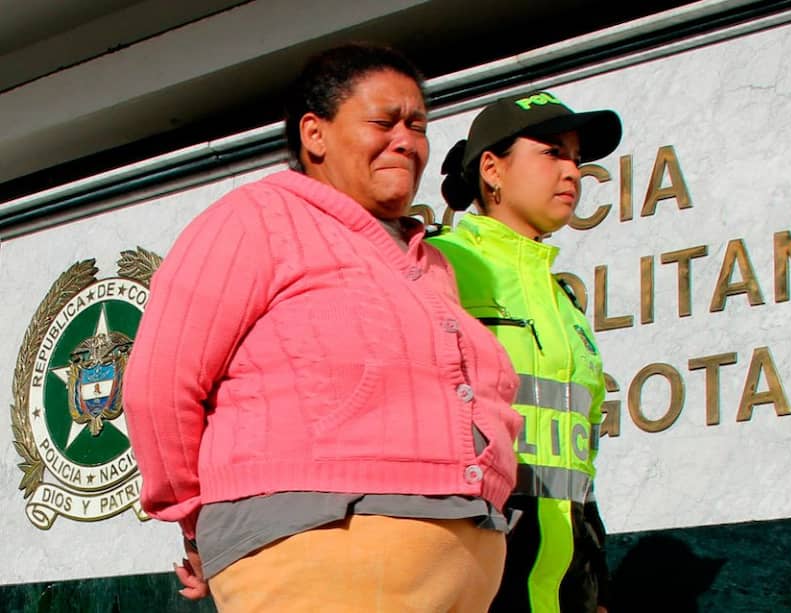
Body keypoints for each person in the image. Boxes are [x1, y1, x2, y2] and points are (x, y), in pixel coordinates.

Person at [123, 43, 523, 613]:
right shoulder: (257, 219)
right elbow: (159, 386)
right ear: (315, 134)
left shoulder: (428, 261)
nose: (406, 140)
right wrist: (194, 515)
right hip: (313, 551)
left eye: (418, 125)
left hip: (466, 557)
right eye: (383, 122)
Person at [429, 90, 623, 613]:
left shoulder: (565, 305)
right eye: (553, 152)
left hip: (563, 586)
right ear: (491, 168)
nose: (573, 173)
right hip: (471, 574)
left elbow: (578, 461)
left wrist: (596, 584)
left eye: (577, 160)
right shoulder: (437, 266)